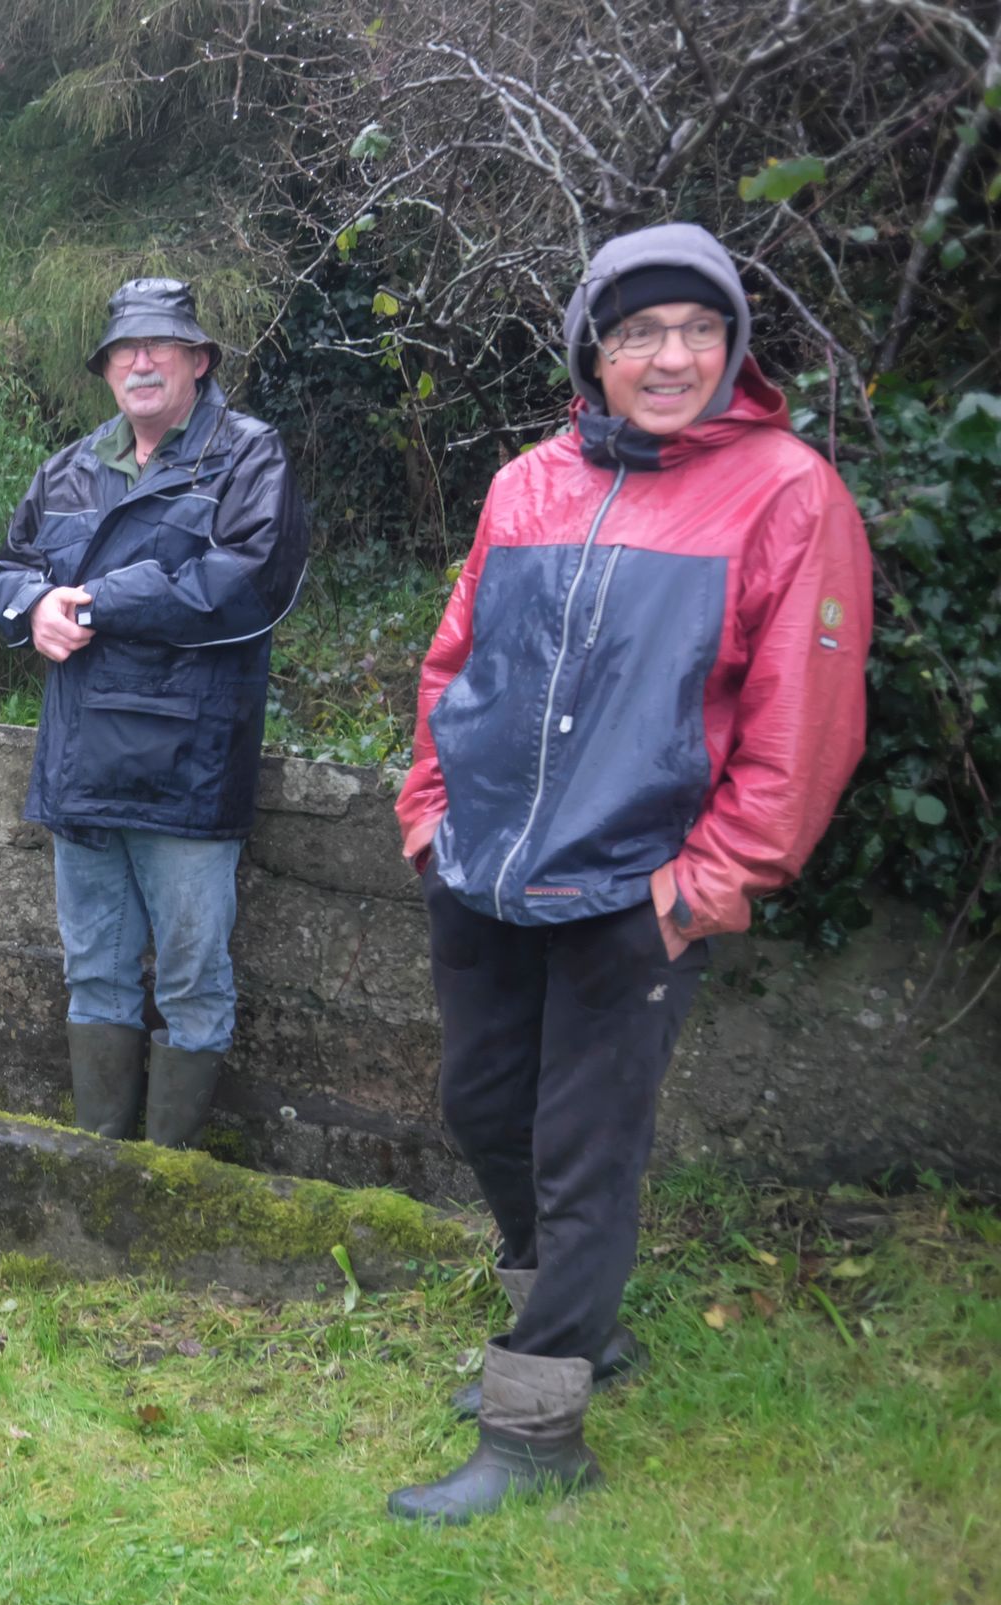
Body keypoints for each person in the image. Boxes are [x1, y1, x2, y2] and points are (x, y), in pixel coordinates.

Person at [387, 224, 872, 1524]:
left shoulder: (787, 493)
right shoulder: (527, 484)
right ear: (591, 353)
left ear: (734, 347)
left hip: (637, 893)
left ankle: (536, 1433)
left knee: (582, 1153)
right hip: (484, 871)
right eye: (640, 332)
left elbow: (803, 726)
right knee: (483, 1107)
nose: (670, 356)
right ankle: (573, 1324)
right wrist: (430, 810)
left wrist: (707, 882)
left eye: (699, 330)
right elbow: (454, 659)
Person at [0, 278, 309, 1146]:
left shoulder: (249, 456)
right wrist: (33, 607)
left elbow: (247, 583)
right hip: (79, 763)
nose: (141, 362)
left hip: (187, 771)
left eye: (161, 345)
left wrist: (97, 601)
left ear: (199, 359)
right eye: (125, 349)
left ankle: (169, 1178)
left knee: (193, 981)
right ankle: (102, 1164)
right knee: (93, 972)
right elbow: (6, 570)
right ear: (104, 370)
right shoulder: (68, 468)